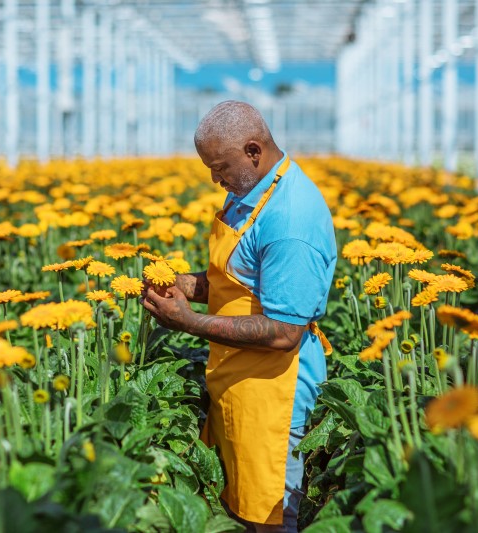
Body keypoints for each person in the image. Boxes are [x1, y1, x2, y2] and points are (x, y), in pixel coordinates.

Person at [141, 100, 336, 533]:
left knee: (270, 517)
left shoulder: (290, 220)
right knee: (241, 508)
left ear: (253, 150)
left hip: (275, 392)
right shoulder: (251, 193)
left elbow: (285, 331)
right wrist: (185, 286)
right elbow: (241, 283)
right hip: (238, 379)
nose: (215, 179)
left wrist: (188, 322)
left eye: (219, 167)